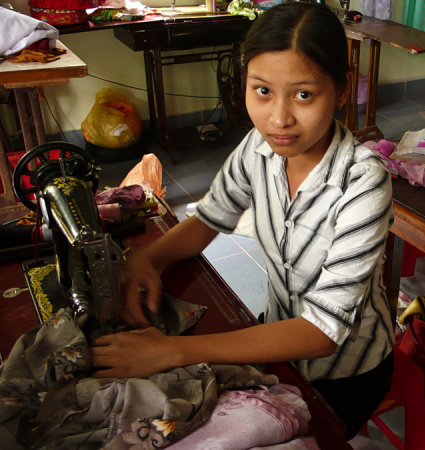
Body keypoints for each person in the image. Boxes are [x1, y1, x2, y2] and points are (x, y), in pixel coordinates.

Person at [90, 2, 395, 439]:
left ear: (342, 90)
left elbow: (322, 332)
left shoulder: (363, 183)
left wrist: (170, 351)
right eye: (263, 91)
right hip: (279, 341)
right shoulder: (259, 148)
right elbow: (209, 219)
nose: (279, 118)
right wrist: (147, 258)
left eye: (304, 94)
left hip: (346, 374)